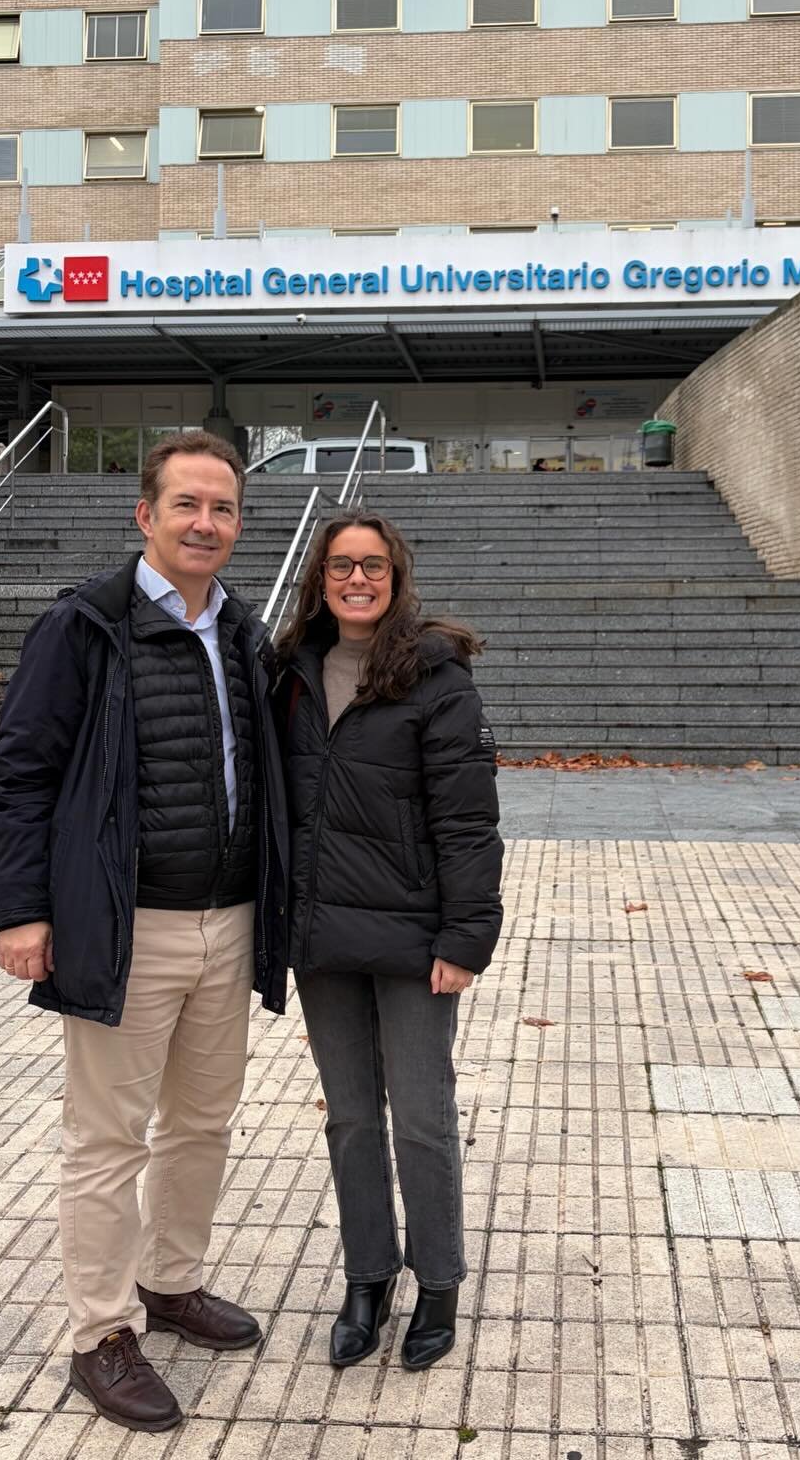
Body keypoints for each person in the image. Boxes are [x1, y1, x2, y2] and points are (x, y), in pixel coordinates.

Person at [0, 430, 288, 1433]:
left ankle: (172, 1281)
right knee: (109, 1137)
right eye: (187, 504)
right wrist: (22, 908)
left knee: (202, 1123)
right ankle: (100, 1330)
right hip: (126, 924)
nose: (207, 522)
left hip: (231, 918)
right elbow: (22, 771)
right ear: (146, 515)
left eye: (224, 508)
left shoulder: (242, 628)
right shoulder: (84, 625)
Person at [275, 511, 503, 1372]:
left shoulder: (437, 677)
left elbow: (469, 823)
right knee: (349, 1119)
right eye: (341, 565)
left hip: (415, 939)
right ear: (320, 577)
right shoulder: (291, 670)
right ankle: (366, 1280)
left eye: (372, 565)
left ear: (397, 576)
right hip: (323, 936)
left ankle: (437, 1282)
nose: (357, 579)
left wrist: (465, 936)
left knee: (421, 1118)